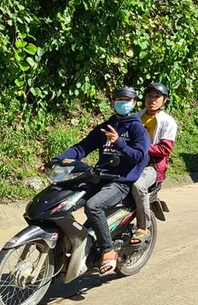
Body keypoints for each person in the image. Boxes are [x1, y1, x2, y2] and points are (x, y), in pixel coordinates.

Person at [51, 86, 150, 275]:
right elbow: (82, 148)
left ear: (134, 103)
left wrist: (119, 142)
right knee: (63, 203)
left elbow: (138, 156)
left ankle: (108, 250)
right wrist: (56, 161)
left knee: (94, 206)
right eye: (119, 99)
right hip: (99, 177)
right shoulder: (107, 126)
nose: (123, 103)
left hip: (120, 182)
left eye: (127, 100)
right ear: (112, 102)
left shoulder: (137, 128)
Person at [130, 82, 178, 245]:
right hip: (131, 161)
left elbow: (164, 149)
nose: (152, 99)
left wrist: (140, 148)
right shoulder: (134, 117)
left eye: (157, 97)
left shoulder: (167, 122)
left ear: (164, 100)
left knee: (137, 185)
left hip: (153, 166)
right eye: (149, 96)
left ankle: (143, 227)